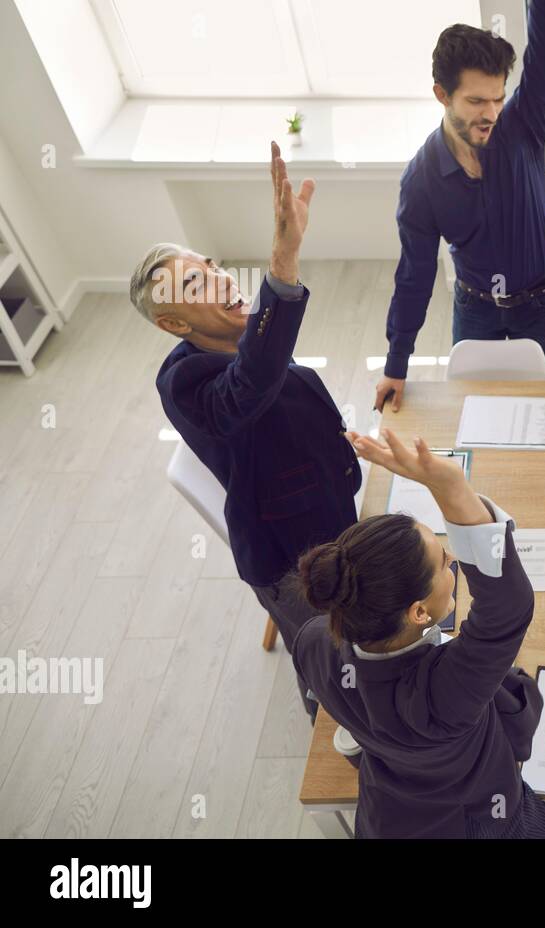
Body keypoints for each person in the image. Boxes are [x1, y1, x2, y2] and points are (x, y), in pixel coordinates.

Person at [138, 142, 355, 718]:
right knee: (331, 675)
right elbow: (246, 392)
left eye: (209, 266)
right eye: (195, 286)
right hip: (292, 558)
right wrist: (284, 260)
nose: (219, 280)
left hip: (330, 512)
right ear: (173, 323)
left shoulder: (239, 337)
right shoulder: (184, 383)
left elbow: (264, 365)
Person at [293, 428, 545, 839]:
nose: (453, 558)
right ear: (419, 611)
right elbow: (508, 607)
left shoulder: (313, 642)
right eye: (444, 562)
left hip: (388, 817)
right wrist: (450, 486)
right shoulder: (442, 698)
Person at [375, 0, 545, 414]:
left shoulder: (523, 124)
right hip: (475, 307)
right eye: (477, 101)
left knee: (528, 404)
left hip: (540, 303)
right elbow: (414, 276)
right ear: (441, 95)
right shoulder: (421, 181)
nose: (492, 114)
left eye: (498, 98)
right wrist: (396, 363)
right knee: (476, 408)